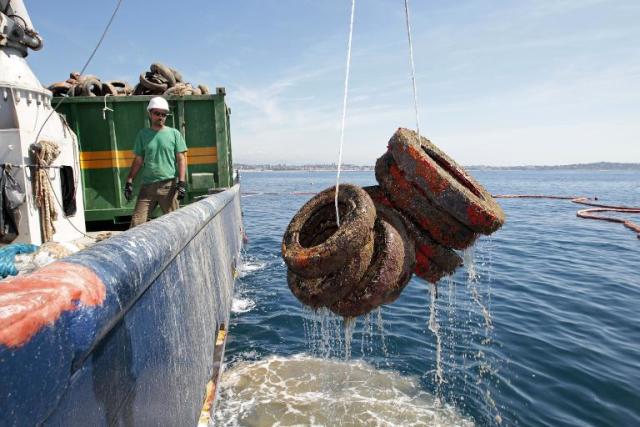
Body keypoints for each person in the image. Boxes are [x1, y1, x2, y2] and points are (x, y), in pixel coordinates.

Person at [124, 97, 187, 228]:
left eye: (163, 114)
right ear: (150, 114)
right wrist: (129, 180)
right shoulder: (143, 134)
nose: (160, 117)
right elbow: (138, 160)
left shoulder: (174, 134)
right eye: (157, 113)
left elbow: (181, 158)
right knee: (136, 224)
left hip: (168, 187)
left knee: (176, 225)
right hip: (147, 188)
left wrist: (181, 183)